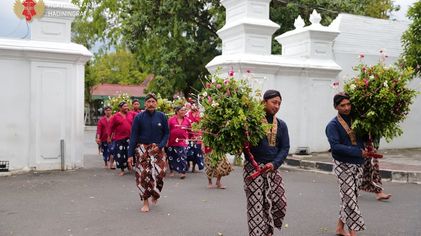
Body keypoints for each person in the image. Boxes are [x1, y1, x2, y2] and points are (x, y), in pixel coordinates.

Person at [243, 89, 290, 236]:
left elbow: (285, 147)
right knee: (257, 208)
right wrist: (255, 164)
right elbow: (245, 146)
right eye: (273, 102)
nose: (276, 106)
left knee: (280, 204)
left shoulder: (282, 125)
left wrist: (275, 164)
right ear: (264, 102)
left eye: (279, 103)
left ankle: (268, 231)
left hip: (273, 169)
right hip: (253, 169)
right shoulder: (252, 123)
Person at [326, 92, 368, 236]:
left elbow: (362, 140)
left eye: (348, 104)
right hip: (342, 165)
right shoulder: (332, 125)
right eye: (342, 105)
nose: (346, 108)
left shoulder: (357, 121)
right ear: (336, 107)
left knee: (351, 197)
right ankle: (353, 232)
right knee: (350, 199)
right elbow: (335, 147)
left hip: (358, 164)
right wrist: (357, 152)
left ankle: (339, 228)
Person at [128, 93, 169, 213]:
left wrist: (160, 146)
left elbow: (166, 133)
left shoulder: (161, 116)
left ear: (156, 103)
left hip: (158, 149)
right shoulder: (139, 117)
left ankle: (155, 194)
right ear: (145, 103)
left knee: (160, 174)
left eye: (153, 101)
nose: (151, 104)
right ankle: (145, 201)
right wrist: (130, 155)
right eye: (149, 102)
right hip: (142, 150)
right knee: (143, 176)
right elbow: (133, 136)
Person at [167, 106, 191, 179]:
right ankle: (171, 170)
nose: (183, 111)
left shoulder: (187, 120)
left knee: (182, 155)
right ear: (177, 111)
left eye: (184, 110)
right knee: (171, 156)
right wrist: (166, 141)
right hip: (172, 141)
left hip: (182, 141)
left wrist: (191, 138)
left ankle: (182, 172)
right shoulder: (171, 120)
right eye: (182, 110)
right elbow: (167, 131)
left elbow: (190, 130)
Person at [109, 101, 132, 176]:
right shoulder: (115, 116)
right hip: (119, 138)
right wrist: (109, 136)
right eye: (124, 106)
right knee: (121, 154)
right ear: (120, 108)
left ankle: (129, 165)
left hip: (129, 138)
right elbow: (111, 127)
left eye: (127, 106)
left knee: (129, 152)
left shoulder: (131, 114)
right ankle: (122, 170)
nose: (126, 108)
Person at [186, 104, 205, 173]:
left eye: (195, 106)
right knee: (188, 151)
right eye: (192, 105)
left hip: (197, 135)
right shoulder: (187, 114)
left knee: (196, 151)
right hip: (189, 134)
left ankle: (194, 167)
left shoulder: (200, 114)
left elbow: (202, 124)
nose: (194, 107)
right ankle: (187, 164)